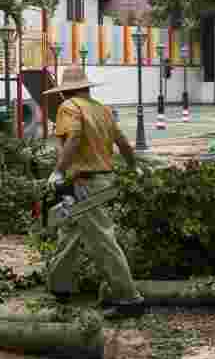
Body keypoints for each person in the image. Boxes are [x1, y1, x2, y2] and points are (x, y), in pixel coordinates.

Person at [42, 66, 146, 320]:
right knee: (70, 230)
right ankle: (60, 286)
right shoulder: (102, 110)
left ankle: (129, 299)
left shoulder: (69, 107)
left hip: (85, 183)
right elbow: (122, 141)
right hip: (101, 181)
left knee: (102, 240)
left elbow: (75, 136)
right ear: (87, 87)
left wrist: (58, 170)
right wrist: (134, 167)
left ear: (66, 91)